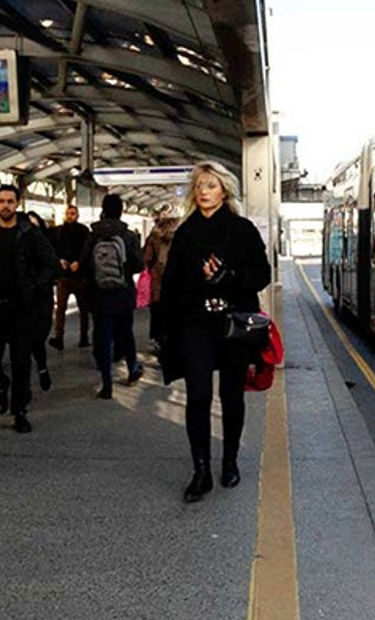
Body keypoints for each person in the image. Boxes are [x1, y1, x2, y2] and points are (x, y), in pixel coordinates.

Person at [160, 161, 271, 502]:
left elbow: (262, 274)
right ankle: (202, 470)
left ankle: (230, 462)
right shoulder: (185, 234)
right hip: (195, 324)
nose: (203, 191)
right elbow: (170, 284)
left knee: (232, 395)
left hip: (233, 323)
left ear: (224, 190)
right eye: (199, 186)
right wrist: (165, 331)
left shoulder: (242, 229)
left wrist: (231, 277)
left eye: (210, 185)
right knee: (198, 395)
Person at [0, 185, 58, 433]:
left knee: (21, 362)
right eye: (1, 201)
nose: (6, 205)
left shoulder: (30, 232)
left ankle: (20, 411)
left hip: (22, 308)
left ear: (17, 204)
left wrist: (34, 287)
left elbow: (51, 263)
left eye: (10, 201)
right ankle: (1, 384)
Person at [80, 194, 144, 399]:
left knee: (103, 337)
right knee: (126, 333)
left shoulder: (93, 236)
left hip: (99, 296)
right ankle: (132, 369)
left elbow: (84, 265)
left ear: (104, 210)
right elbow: (139, 264)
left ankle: (106, 384)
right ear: (121, 210)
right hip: (123, 294)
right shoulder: (127, 235)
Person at [48, 204, 91, 350]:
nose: (70, 216)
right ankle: (59, 337)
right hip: (64, 277)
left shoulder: (84, 231)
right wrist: (60, 260)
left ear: (77, 215)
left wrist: (79, 262)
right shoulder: (59, 231)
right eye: (68, 213)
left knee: (83, 308)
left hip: (80, 277)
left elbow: (88, 251)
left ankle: (84, 337)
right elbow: (52, 250)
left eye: (72, 213)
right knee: (60, 309)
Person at [25, 211, 55, 391]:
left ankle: (42, 368)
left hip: (41, 298)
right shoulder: (16, 246)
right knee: (23, 344)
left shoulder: (46, 248)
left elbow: (52, 268)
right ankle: (25, 384)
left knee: (37, 340)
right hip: (22, 301)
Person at [141, 209, 179, 353]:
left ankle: (159, 339)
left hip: (158, 280)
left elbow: (146, 258)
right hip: (177, 282)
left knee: (158, 311)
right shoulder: (182, 235)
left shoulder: (154, 236)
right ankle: (173, 339)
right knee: (174, 311)